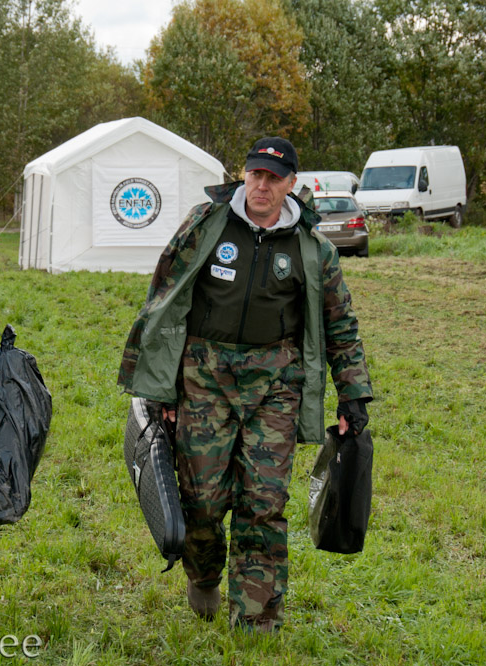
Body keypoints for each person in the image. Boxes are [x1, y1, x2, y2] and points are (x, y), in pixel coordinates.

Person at [118, 136, 373, 632]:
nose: (262, 185)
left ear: (291, 185)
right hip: (204, 377)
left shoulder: (313, 249)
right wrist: (161, 388)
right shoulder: (206, 225)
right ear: (244, 174)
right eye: (255, 174)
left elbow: (340, 324)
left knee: (264, 501)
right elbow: (164, 301)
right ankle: (204, 574)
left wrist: (354, 392)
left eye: (273, 178)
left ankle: (257, 617)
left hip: (276, 383)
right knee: (202, 499)